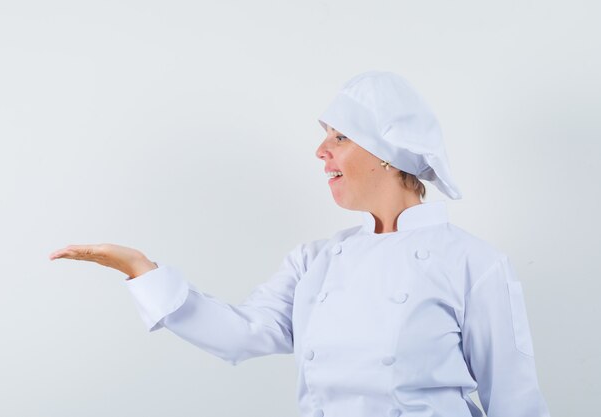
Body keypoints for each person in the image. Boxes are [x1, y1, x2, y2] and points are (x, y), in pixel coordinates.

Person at [49, 71, 551, 417]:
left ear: (384, 153)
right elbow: (241, 334)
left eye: (339, 137)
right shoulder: (316, 262)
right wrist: (141, 269)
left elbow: (514, 401)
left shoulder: (473, 264)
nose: (320, 151)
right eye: (324, 136)